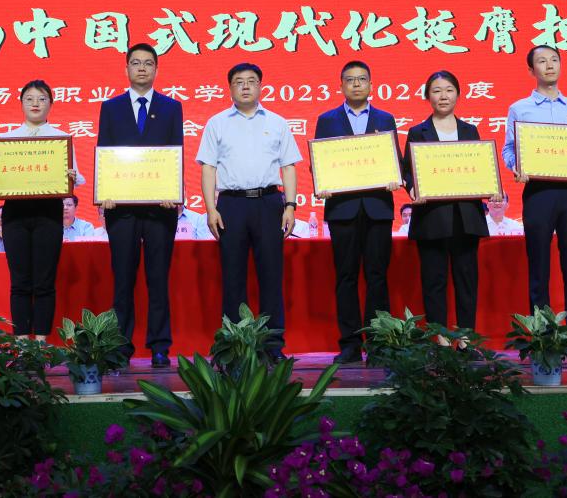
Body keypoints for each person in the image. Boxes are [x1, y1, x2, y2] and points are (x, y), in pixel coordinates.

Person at [502, 45, 567, 359]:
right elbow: (509, 149)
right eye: (541, 61)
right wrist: (517, 167)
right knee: (539, 265)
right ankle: (542, 336)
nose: (549, 65)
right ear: (531, 70)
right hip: (539, 193)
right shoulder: (520, 108)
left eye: (554, 60)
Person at [197, 62, 302, 360]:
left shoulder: (277, 122)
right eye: (239, 81)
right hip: (231, 205)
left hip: (269, 203)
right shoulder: (217, 123)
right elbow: (208, 168)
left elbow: (288, 167)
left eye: (252, 81)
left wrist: (290, 205)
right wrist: (211, 209)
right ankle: (235, 347)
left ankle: (273, 347)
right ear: (229, 87)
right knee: (233, 278)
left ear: (260, 86)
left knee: (271, 277)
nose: (245, 86)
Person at [97, 43, 184, 367]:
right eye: (136, 63)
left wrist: (174, 191)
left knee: (158, 279)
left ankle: (160, 346)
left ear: (156, 69)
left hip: (161, 208)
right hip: (121, 209)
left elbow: (176, 151)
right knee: (123, 280)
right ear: (127, 69)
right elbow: (104, 151)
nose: (142, 68)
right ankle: (120, 347)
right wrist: (104, 192)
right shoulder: (111, 108)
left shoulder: (171, 107)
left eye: (148, 63)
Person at [0, 79, 84, 341]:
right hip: (16, 215)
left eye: (42, 99)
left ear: (51, 104)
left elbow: (78, 178)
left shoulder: (60, 139)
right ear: (21, 103)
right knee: (20, 282)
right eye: (29, 99)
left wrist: (72, 176)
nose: (35, 103)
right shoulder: (5, 140)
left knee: (45, 282)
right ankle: (23, 343)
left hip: (48, 214)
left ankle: (42, 343)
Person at [314, 60, 400, 365]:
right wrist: (322, 183)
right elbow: (320, 161)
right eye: (350, 80)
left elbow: (395, 159)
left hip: (377, 208)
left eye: (362, 79)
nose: (356, 84)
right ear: (341, 85)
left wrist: (395, 176)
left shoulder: (385, 118)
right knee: (346, 276)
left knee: (377, 276)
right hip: (342, 209)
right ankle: (349, 343)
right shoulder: (327, 120)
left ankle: (378, 343)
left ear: (371, 85)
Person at [402, 70, 493, 344]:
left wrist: (491, 185)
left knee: (466, 281)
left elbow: (480, 167)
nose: (443, 96)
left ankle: (465, 339)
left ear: (458, 94)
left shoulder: (469, 130)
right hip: (431, 218)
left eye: (449, 90)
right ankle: (440, 338)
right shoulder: (417, 132)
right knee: (434, 281)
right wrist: (412, 189)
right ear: (427, 96)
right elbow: (408, 172)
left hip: (466, 217)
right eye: (437, 90)